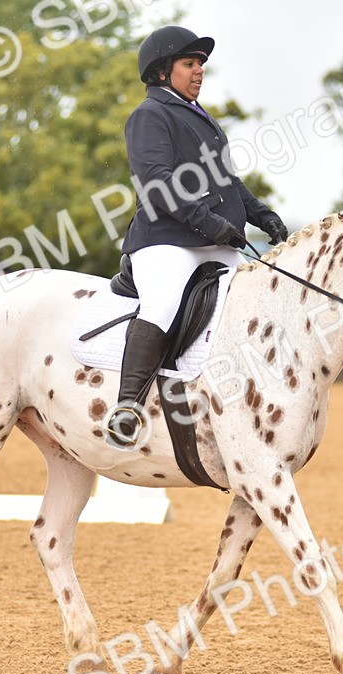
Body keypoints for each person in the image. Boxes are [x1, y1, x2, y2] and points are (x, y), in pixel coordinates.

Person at [106, 25, 289, 449]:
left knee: (262, 300)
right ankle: (127, 408)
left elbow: (228, 182)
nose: (199, 71)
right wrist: (209, 223)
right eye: (189, 63)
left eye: (201, 64)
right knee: (163, 303)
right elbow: (158, 184)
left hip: (215, 242)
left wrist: (262, 215)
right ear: (162, 72)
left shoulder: (202, 118)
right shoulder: (150, 115)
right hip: (166, 241)